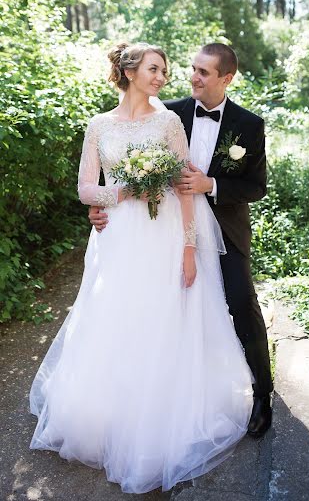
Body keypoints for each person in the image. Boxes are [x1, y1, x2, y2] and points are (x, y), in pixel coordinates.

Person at [29, 42, 254, 495]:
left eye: (166, 71)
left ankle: (159, 417)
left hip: (165, 235)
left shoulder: (169, 122)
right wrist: (125, 193)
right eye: (155, 69)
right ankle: (116, 414)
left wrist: (189, 250)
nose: (163, 77)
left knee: (161, 320)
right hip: (117, 239)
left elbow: (184, 189)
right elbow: (87, 190)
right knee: (115, 319)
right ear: (130, 71)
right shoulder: (99, 126)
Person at [89, 43, 273, 439]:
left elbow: (256, 186)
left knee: (240, 300)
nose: (193, 77)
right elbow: (116, 170)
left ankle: (262, 393)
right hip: (168, 227)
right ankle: (179, 390)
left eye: (204, 73)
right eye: (192, 69)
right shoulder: (168, 113)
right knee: (175, 309)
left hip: (223, 226)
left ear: (226, 79)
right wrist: (100, 205)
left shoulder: (249, 125)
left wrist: (211, 184)